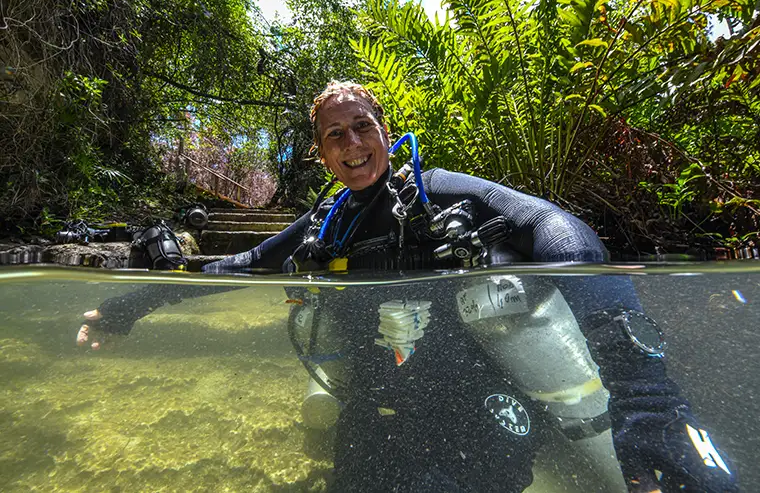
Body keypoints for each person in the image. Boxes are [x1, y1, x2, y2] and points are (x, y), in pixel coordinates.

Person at [77, 81, 738, 492]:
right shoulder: (324, 223)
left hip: (473, 407)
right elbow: (242, 263)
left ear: (386, 133)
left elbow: (551, 222)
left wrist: (635, 380)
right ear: (323, 154)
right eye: (336, 134)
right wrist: (129, 304)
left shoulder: (438, 192)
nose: (352, 140)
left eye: (363, 124)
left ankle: (655, 424)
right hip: (374, 416)